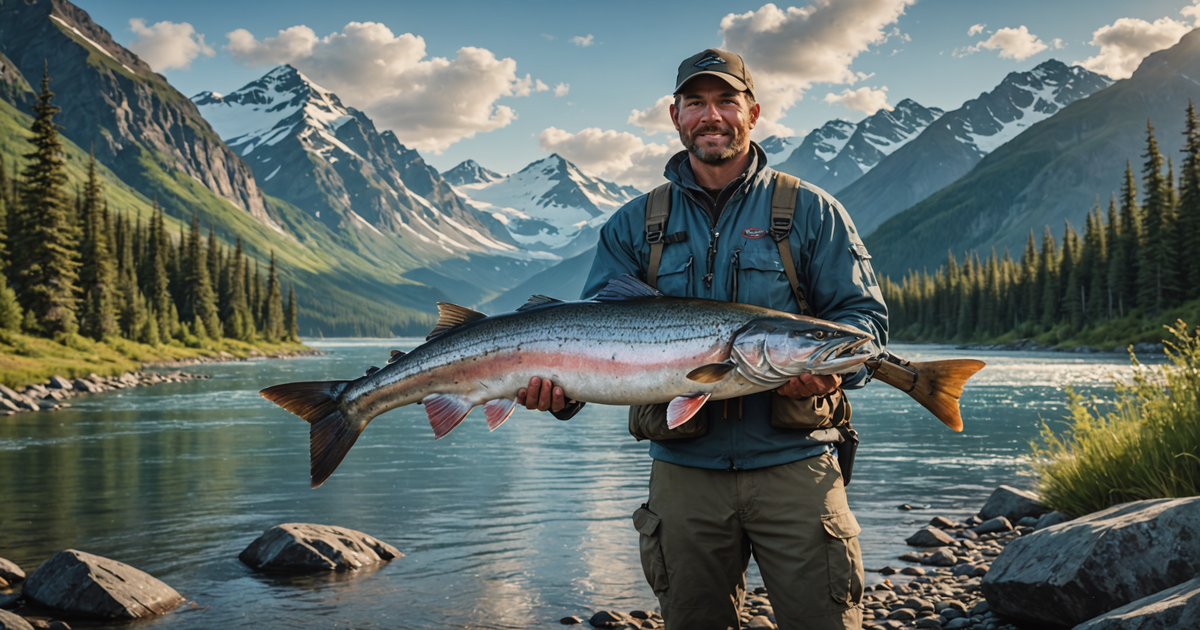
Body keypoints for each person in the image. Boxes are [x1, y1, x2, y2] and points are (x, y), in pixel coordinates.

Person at [516, 48, 887, 630]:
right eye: (697, 103)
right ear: (675, 116)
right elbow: (588, 341)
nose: (712, 116)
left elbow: (864, 322)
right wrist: (560, 398)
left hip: (797, 465)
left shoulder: (813, 211)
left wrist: (837, 368)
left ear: (753, 112)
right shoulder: (632, 225)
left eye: (726, 101)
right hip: (682, 474)